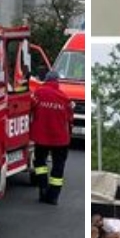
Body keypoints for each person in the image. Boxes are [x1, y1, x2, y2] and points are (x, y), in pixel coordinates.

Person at [30, 69, 73, 205]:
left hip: (41, 137)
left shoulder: (38, 94)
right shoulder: (64, 98)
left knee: (40, 162)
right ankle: (53, 196)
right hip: (60, 140)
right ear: (57, 82)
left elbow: (30, 108)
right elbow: (70, 118)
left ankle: (43, 187)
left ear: (46, 80)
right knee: (58, 167)